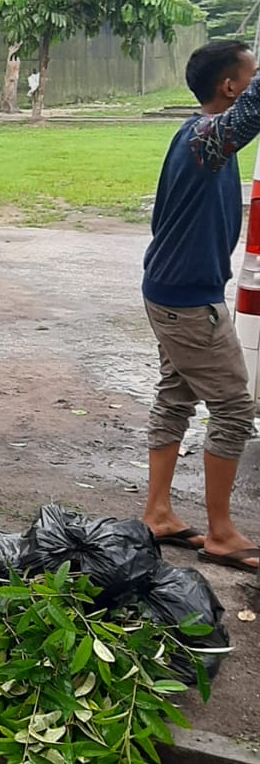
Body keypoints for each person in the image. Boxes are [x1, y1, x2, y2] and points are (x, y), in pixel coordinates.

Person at [141, 38, 260, 573]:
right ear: (229, 87)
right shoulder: (207, 137)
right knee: (234, 408)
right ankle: (220, 532)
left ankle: (159, 513)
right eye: (249, 77)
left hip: (171, 292)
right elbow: (253, 112)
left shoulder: (194, 137)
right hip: (188, 302)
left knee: (176, 397)